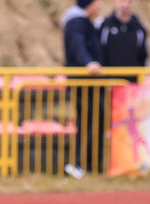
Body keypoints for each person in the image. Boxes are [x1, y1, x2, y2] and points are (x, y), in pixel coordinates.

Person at [61, 0, 105, 179]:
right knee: (89, 121)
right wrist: (89, 62)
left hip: (89, 83)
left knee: (92, 120)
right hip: (84, 83)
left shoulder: (85, 22)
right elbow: (77, 45)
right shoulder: (76, 23)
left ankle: (90, 164)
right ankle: (80, 163)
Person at [100, 0, 149, 79]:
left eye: (129, 2)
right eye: (122, 1)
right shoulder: (104, 25)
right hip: (109, 83)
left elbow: (143, 57)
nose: (125, 5)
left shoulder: (140, 28)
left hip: (132, 84)